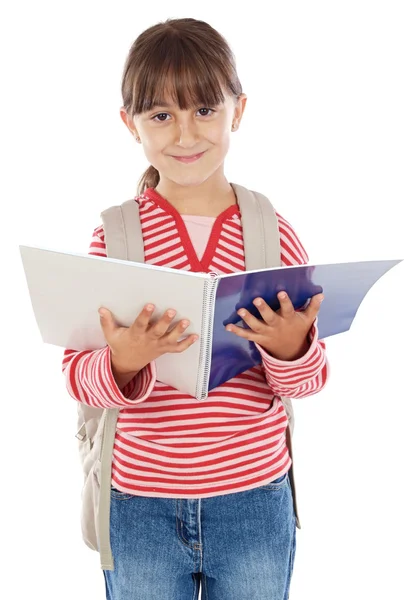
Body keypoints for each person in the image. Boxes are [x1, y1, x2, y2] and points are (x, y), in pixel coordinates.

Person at [62, 17, 329, 600]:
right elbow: (75, 375)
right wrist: (124, 362)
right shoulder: (115, 239)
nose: (186, 134)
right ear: (130, 124)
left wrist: (291, 348)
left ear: (238, 111)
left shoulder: (273, 234)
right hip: (139, 506)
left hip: (256, 501)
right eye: (162, 115)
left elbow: (310, 380)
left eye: (204, 110)